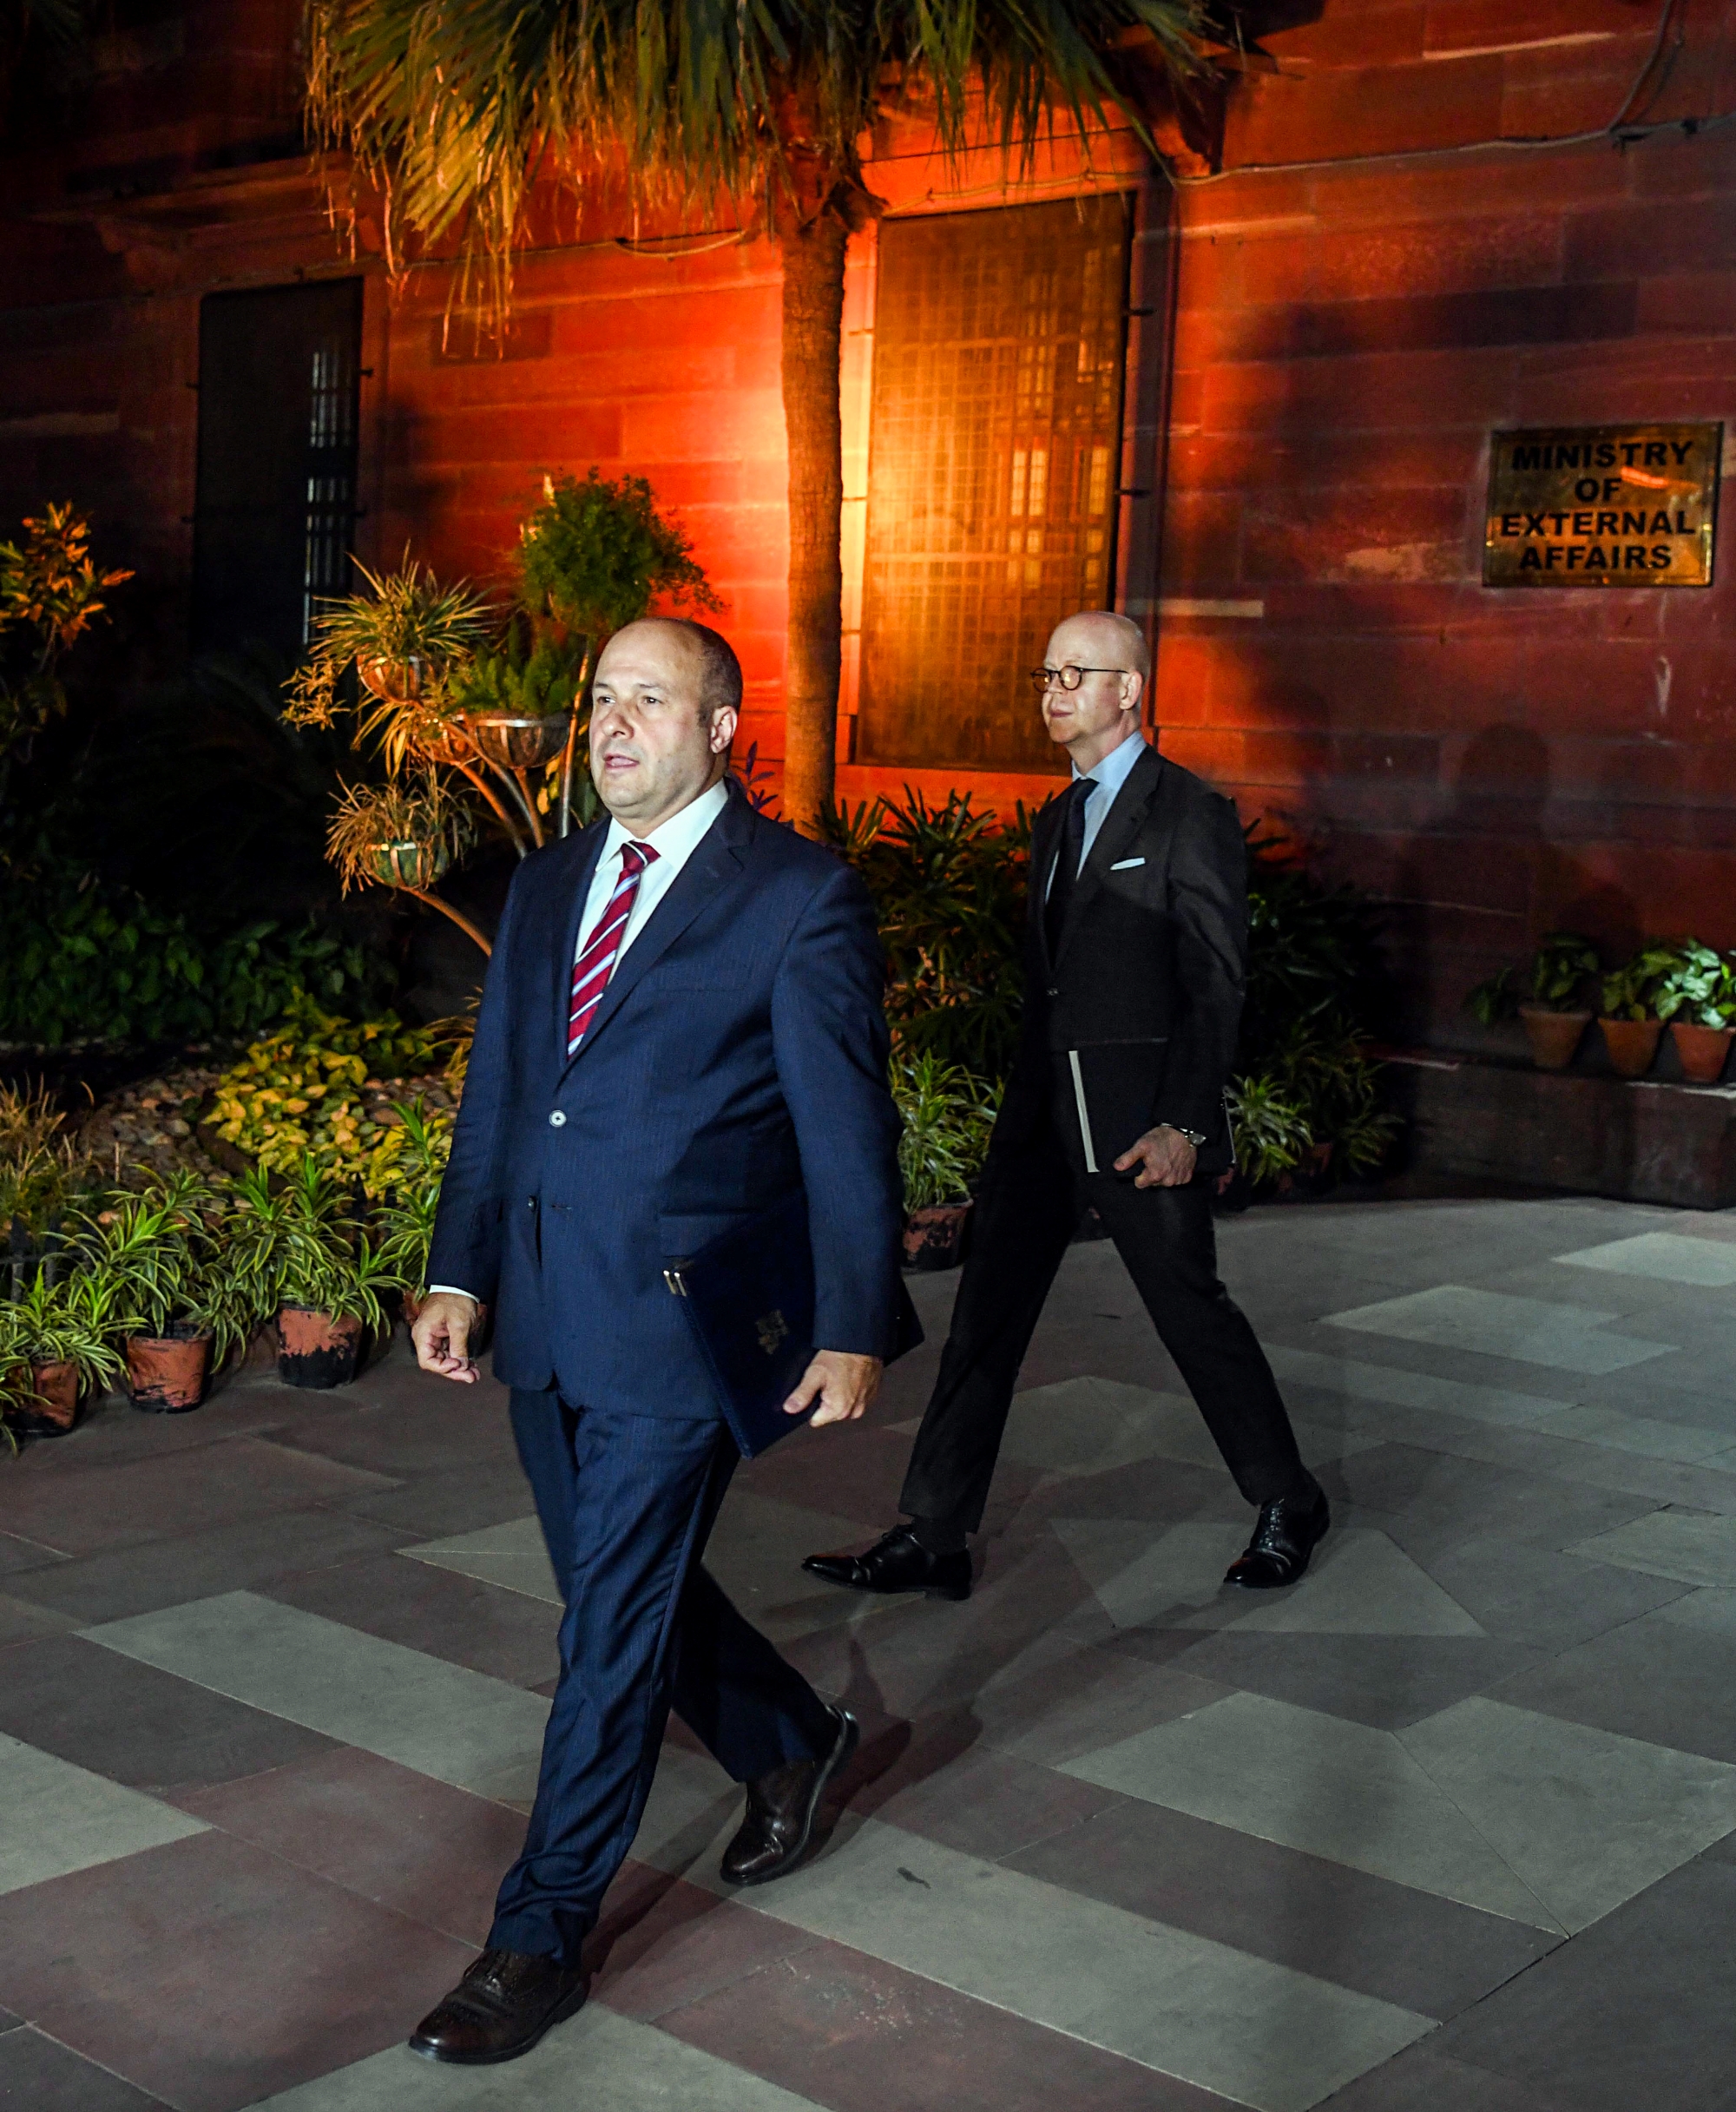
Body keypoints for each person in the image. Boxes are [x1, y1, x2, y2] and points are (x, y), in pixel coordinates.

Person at [407, 617, 905, 2067]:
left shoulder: (797, 898)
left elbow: (844, 1126)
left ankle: (535, 1934)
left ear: (722, 725)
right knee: (632, 1593)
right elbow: (507, 1098)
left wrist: (854, 1318)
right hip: (551, 1320)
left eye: (649, 699)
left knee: (607, 1634)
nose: (614, 724)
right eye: (601, 699)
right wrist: (460, 1269)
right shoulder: (553, 879)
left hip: (681, 1332)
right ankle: (791, 1743)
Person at [804, 609, 1329, 1605]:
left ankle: (1285, 1498)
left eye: (1074, 674)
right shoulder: (1056, 818)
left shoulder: (1188, 816)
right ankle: (936, 1532)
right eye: (1044, 672)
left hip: (1136, 1126)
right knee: (983, 1319)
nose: (1051, 690)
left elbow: (1215, 984)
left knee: (1190, 1316)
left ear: (1128, 691)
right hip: (1038, 1117)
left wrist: (1183, 1124)